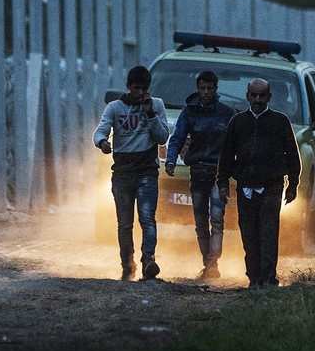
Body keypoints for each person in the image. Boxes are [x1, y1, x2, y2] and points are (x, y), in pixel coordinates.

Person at [216, 78, 301, 288]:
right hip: (245, 187)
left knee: (269, 232)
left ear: (269, 97)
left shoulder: (280, 122)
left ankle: (268, 278)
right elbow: (227, 154)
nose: (257, 99)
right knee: (249, 234)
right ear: (247, 96)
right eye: (254, 95)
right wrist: (222, 182)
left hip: (272, 187)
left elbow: (292, 154)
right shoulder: (238, 122)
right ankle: (253, 278)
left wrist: (293, 185)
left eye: (262, 95)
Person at [94, 65, 170, 281]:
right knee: (124, 223)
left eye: (143, 89)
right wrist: (102, 142)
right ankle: (127, 263)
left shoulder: (156, 105)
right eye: (136, 88)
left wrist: (150, 114)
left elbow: (162, 137)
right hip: (122, 173)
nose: (139, 93)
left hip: (147, 171)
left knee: (147, 218)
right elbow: (101, 129)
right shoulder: (115, 108)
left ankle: (149, 259)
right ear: (128, 87)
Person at [165, 70, 236, 279]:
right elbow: (177, 137)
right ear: (198, 88)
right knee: (200, 222)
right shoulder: (189, 112)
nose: (206, 92)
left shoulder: (226, 113)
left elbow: (235, 143)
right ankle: (208, 262)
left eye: (210, 88)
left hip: (217, 174)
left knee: (217, 219)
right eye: (202, 88)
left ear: (216, 89)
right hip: (197, 172)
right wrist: (170, 160)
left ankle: (213, 263)